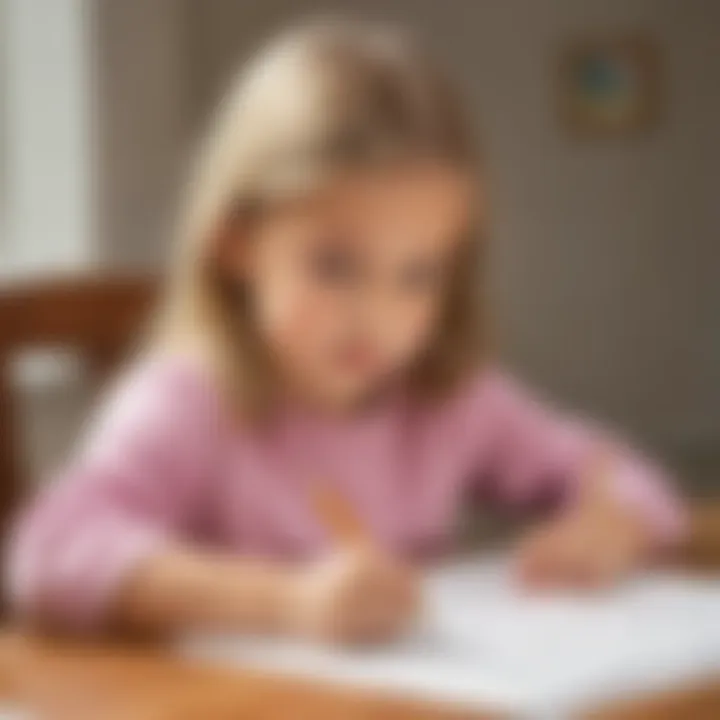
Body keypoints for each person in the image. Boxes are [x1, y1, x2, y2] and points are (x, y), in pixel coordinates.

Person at [6, 19, 685, 645]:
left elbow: (630, 480)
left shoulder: (448, 398)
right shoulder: (189, 400)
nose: (377, 318)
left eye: (417, 275)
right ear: (237, 242)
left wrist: (610, 527)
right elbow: (47, 551)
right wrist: (288, 601)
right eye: (335, 267)